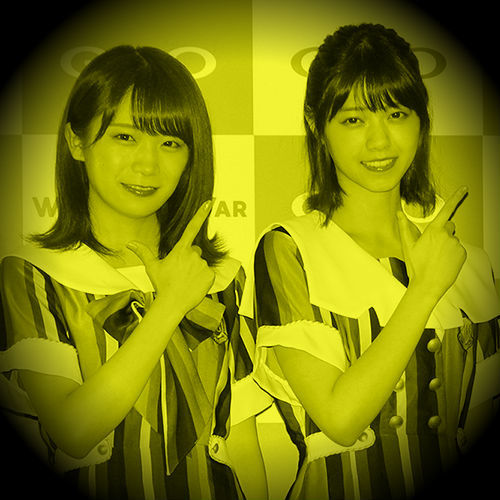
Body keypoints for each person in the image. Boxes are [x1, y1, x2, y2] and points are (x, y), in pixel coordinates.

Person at [240, 24, 500, 500]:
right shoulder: (289, 249)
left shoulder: (468, 261)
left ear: (421, 120)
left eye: (396, 114)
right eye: (354, 120)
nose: (380, 142)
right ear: (317, 125)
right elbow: (340, 420)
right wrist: (425, 289)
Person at [0, 45, 270, 500]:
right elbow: (72, 430)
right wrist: (170, 305)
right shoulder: (34, 274)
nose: (148, 164)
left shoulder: (223, 278)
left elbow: (242, 443)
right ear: (77, 142)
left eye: (170, 143)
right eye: (125, 137)